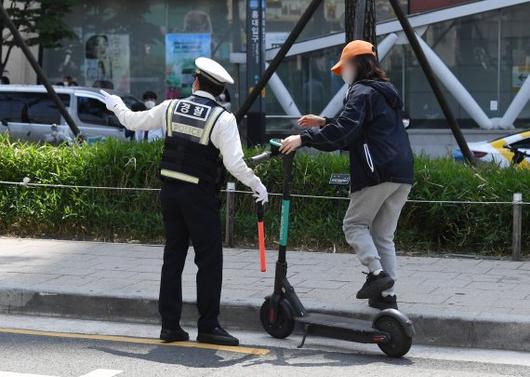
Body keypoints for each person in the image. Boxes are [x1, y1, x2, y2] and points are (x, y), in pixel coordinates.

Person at [101, 57, 269, 346]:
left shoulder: (171, 107)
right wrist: (257, 185)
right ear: (220, 91)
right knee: (209, 261)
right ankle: (208, 326)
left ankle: (170, 326)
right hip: (199, 197)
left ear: (196, 82)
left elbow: (132, 120)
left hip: (170, 194)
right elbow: (234, 163)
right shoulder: (222, 118)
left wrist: (116, 103)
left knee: (173, 257)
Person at [279, 40, 414, 311]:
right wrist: (324, 122)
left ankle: (376, 275)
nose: (342, 74)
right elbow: (359, 128)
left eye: (344, 68)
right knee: (383, 235)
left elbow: (344, 134)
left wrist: (303, 139)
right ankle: (387, 298)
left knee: (353, 225)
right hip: (402, 173)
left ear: (355, 65)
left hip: (376, 171)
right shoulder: (385, 92)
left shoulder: (361, 91)